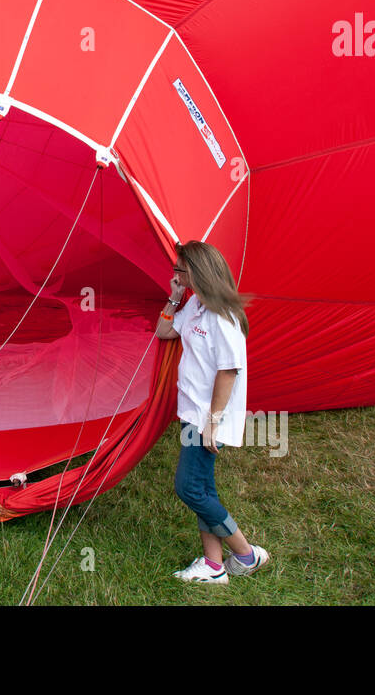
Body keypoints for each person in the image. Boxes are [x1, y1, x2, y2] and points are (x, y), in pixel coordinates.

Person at [156, 240, 269, 585]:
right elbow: (163, 331)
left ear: (197, 270)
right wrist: (175, 296)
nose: (175, 272)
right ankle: (214, 565)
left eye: (180, 268)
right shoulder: (195, 306)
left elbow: (229, 369)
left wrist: (213, 421)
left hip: (207, 418)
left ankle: (245, 554)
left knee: (189, 488)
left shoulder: (224, 316)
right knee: (203, 488)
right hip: (192, 412)